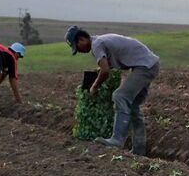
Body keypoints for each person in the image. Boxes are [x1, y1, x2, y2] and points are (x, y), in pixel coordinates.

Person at [65, 26, 161, 157]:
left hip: (144, 67)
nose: (80, 51)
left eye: (77, 46)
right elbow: (105, 66)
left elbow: (105, 71)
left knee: (119, 96)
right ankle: (139, 152)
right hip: (149, 64)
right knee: (133, 108)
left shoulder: (96, 44)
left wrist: (95, 86)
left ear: (81, 39)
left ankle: (117, 140)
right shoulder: (99, 41)